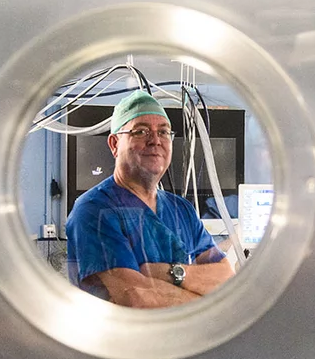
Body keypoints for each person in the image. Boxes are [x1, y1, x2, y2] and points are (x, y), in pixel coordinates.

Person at [66, 90, 235, 308]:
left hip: (181, 338)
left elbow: (225, 279)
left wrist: (172, 273)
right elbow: (137, 299)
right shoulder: (94, 211)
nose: (155, 140)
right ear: (114, 144)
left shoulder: (180, 209)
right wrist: (205, 303)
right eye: (140, 131)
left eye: (164, 132)